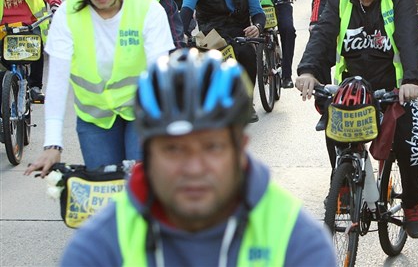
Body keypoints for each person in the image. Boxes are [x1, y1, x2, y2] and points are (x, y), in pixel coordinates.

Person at [59, 49, 335, 266]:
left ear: (241, 147)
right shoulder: (98, 248)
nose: (193, 168)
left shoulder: (296, 242)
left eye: (212, 147)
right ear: (146, 152)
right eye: (173, 149)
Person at [295, 0, 418, 239]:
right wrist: (307, 71)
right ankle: (343, 184)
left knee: (410, 147)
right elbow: (322, 35)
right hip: (352, 86)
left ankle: (411, 203)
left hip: (396, 88)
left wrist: (411, 80)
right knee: (335, 128)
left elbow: (411, 40)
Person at [24, 0, 173, 175]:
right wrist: (52, 143)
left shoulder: (148, 9)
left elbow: (160, 77)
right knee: (104, 195)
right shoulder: (67, 14)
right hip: (94, 119)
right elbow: (58, 82)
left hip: (143, 114)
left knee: (141, 190)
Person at [179, 0, 266, 122]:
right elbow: (185, 12)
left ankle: (247, 102)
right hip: (212, 35)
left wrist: (257, 27)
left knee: (248, 56)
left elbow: (258, 13)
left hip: (239, 33)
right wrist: (182, 33)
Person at [0, 0, 61, 103]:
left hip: (30, 26)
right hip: (4, 29)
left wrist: (55, 4)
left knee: (36, 47)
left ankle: (35, 88)